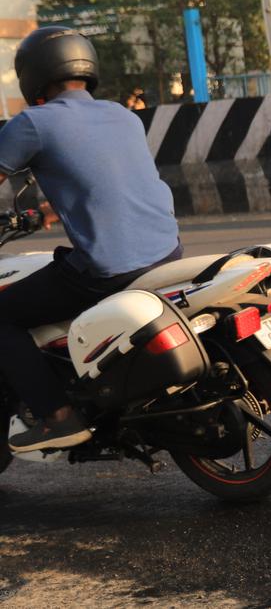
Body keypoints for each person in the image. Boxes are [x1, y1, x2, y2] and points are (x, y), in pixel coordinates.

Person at [0, 27, 182, 453]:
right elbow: (108, 185)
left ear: (34, 76)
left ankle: (58, 417)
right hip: (166, 252)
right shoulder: (123, 115)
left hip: (108, 269)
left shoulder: (32, 123)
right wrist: (45, 213)